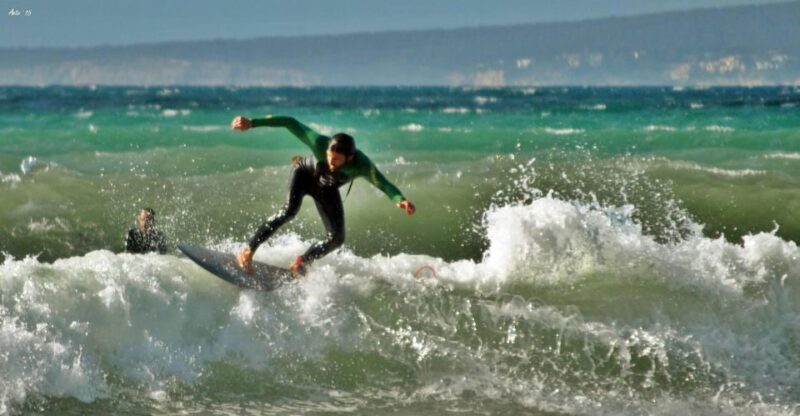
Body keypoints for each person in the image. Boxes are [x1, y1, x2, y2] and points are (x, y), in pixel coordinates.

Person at [231, 115, 416, 276]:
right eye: (329, 157)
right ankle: (247, 252)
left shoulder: (362, 165)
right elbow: (290, 122)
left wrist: (400, 199)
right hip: (303, 174)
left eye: (336, 161)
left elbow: (383, 183)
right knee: (289, 211)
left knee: (336, 238)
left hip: (326, 188)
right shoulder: (320, 143)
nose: (331, 163)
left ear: (350, 158)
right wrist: (252, 123)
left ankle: (301, 262)